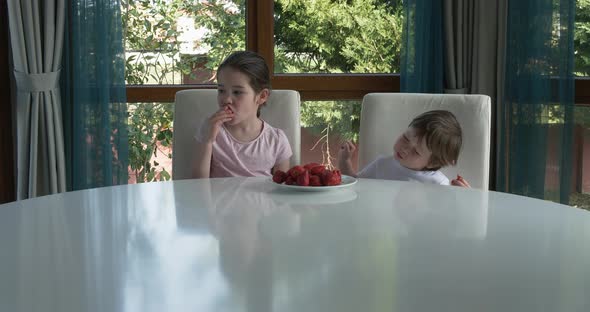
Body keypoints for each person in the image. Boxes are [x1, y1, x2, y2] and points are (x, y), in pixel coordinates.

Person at [191, 51, 292, 178]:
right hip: (219, 198)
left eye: (237, 92)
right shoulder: (209, 130)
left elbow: (282, 189)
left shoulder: (276, 140)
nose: (226, 99)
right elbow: (197, 185)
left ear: (262, 96)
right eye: (221, 90)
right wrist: (207, 140)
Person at [338, 110, 470, 187]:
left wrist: (464, 196)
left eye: (416, 152)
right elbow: (355, 185)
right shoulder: (382, 164)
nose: (405, 149)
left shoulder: (438, 183)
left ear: (432, 163)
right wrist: (345, 161)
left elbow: (451, 217)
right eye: (406, 138)